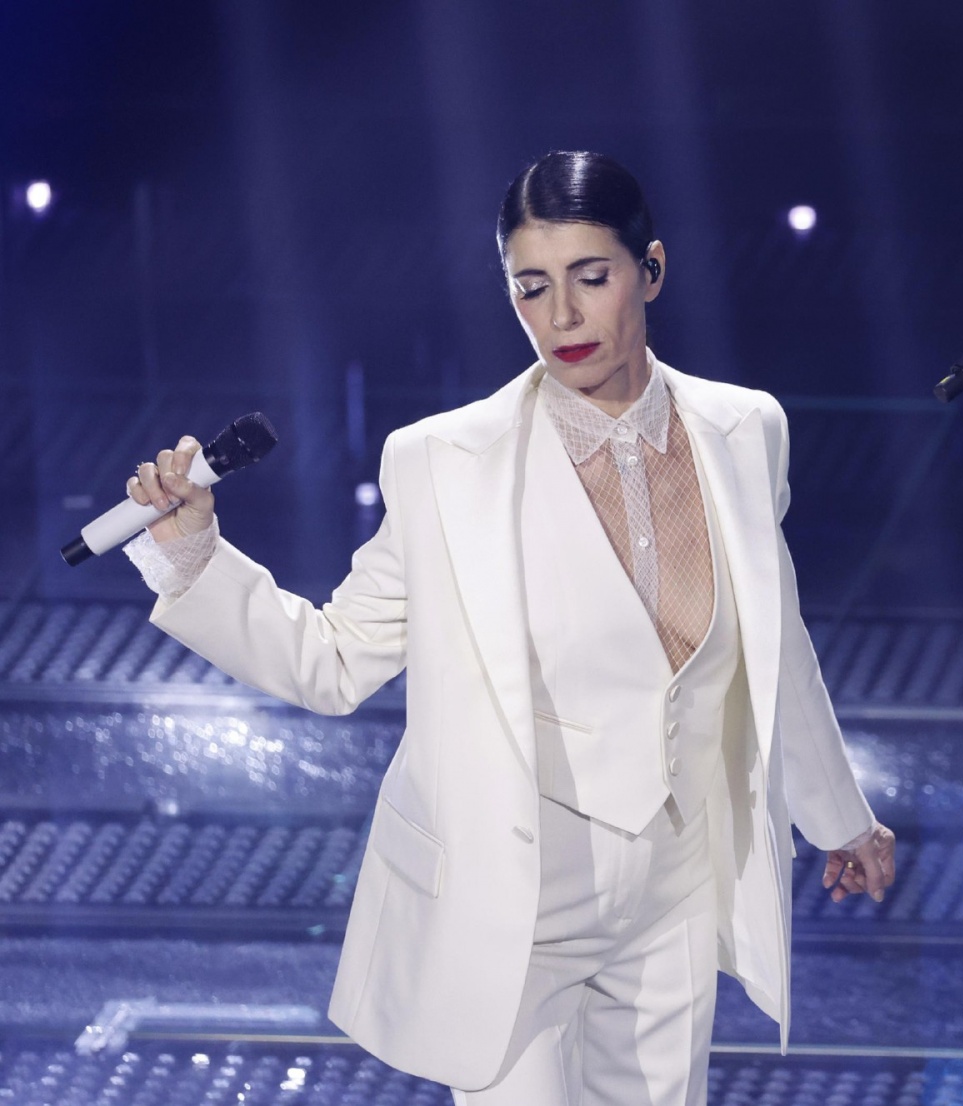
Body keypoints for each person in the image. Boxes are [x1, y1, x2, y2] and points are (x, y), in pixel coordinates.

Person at [121, 150, 896, 1106]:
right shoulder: (444, 462)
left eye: (590, 277)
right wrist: (196, 557)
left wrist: (839, 817)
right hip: (512, 901)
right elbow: (330, 663)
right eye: (531, 287)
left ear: (651, 269)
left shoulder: (746, 428)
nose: (561, 316)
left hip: (676, 887)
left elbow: (777, 644)